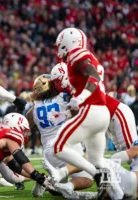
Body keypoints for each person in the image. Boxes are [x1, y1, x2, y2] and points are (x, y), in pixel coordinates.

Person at [51, 28, 123, 198]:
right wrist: (67, 113)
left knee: (58, 147)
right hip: (101, 113)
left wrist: (81, 98)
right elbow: (90, 81)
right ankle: (119, 195)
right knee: (97, 160)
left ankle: (98, 176)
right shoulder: (85, 55)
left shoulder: (76, 54)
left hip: (91, 110)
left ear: (68, 42)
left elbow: (94, 78)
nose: (59, 48)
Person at [27, 74, 92, 197]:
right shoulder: (63, 97)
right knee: (88, 178)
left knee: (56, 190)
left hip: (49, 153)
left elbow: (26, 126)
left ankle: (47, 182)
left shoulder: (34, 108)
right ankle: (65, 182)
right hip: (67, 145)